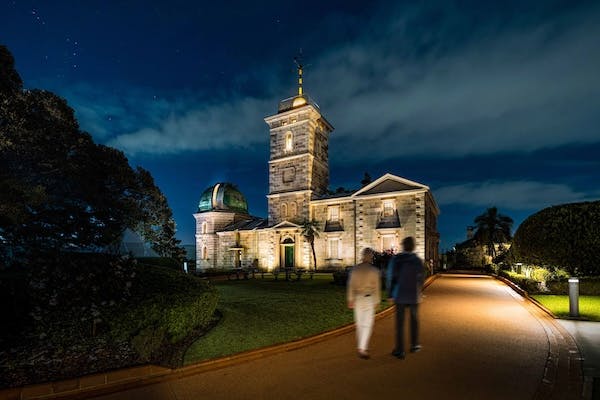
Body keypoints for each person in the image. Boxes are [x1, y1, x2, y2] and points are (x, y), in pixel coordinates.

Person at [386, 236, 425, 359]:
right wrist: (419, 290)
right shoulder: (417, 260)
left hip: (400, 294)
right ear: (413, 246)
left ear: (403, 246)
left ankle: (400, 350)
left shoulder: (396, 259)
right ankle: (414, 345)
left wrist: (390, 294)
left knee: (400, 323)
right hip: (413, 294)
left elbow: (390, 277)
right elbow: (421, 278)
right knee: (414, 320)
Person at [347, 247, 381, 359]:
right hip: (368, 298)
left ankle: (361, 346)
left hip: (358, 298)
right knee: (367, 324)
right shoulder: (374, 271)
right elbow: (376, 287)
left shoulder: (355, 269)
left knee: (360, 324)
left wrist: (350, 299)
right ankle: (362, 348)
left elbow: (351, 285)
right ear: (371, 257)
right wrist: (377, 301)